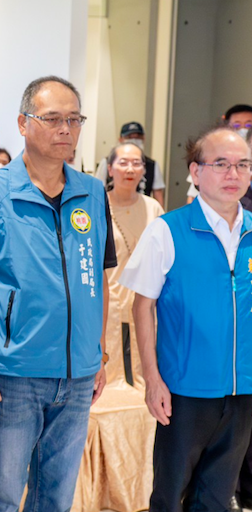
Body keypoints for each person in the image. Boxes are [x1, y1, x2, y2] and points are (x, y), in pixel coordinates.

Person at [0, 75, 116, 512]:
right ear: (23, 124)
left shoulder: (92, 193)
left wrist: (98, 353)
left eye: (74, 119)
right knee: (5, 494)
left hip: (79, 375)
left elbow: (99, 281)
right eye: (52, 119)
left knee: (57, 495)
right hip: (14, 374)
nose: (65, 129)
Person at [118, 127, 252, 512]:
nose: (234, 174)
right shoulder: (167, 229)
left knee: (218, 498)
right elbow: (141, 306)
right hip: (184, 392)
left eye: (242, 165)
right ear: (195, 172)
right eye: (221, 164)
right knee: (170, 496)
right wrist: (152, 379)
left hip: (242, 392)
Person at [104, 143, 164, 387]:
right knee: (109, 376)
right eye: (123, 163)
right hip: (108, 300)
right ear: (110, 169)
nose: (130, 169)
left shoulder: (154, 208)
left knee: (142, 372)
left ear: (144, 170)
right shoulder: (97, 206)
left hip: (146, 300)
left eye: (136, 163)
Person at [187, 105, 252, 205]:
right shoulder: (207, 157)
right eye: (221, 165)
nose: (233, 175)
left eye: (249, 126)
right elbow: (192, 199)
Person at [94, 122, 165, 208]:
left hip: (142, 208)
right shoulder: (107, 162)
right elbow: (97, 190)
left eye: (138, 137)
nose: (130, 169)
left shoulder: (152, 165)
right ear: (120, 139)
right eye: (129, 137)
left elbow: (158, 195)